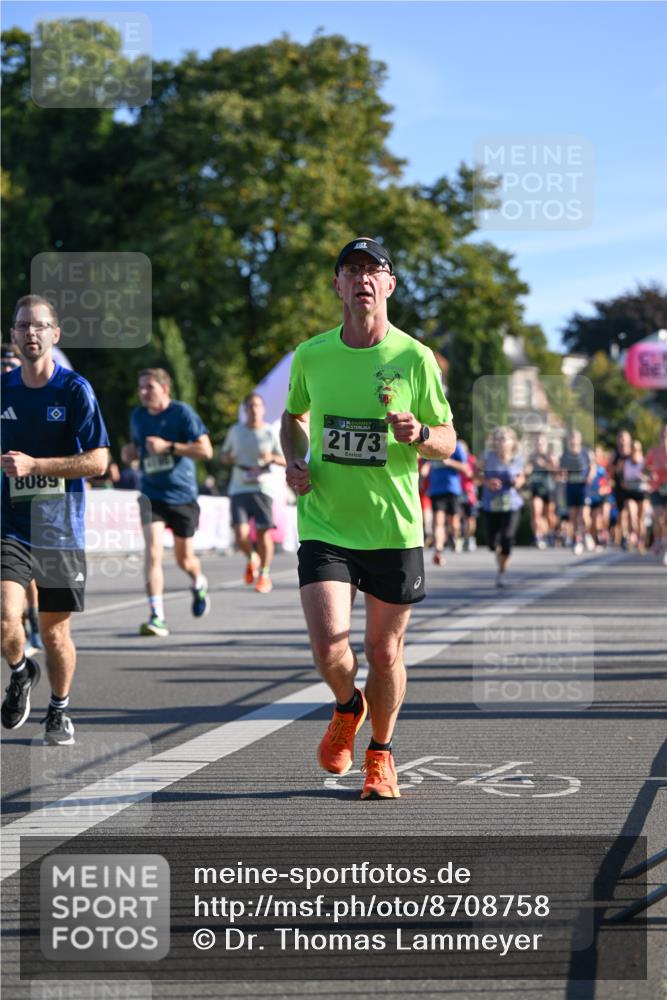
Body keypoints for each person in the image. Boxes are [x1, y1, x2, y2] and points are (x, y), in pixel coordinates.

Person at [281, 236, 455, 800]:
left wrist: (422, 434)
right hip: (326, 522)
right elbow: (292, 416)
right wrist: (294, 457)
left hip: (393, 528)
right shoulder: (311, 354)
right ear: (337, 285)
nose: (362, 278)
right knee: (330, 647)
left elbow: (449, 440)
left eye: (373, 270)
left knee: (384, 653)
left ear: (389, 285)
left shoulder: (414, 357)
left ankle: (380, 753)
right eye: (350, 270)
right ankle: (347, 705)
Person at [1, 295, 109, 744]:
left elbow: (99, 461)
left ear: (54, 334)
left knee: (55, 631)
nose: (31, 333)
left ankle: (59, 709)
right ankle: (21, 670)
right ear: (12, 335)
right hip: (11, 526)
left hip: (60, 530)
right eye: (23, 325)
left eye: (39, 326)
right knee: (6, 618)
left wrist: (36, 466)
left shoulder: (74, 389)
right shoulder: (3, 389)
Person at [123, 368, 213, 636]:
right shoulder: (137, 416)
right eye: (141, 387)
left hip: (182, 495)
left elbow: (206, 450)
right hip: (152, 495)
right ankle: (156, 616)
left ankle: (198, 582)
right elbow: (137, 451)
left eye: (149, 387)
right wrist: (130, 454)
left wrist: (169, 447)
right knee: (153, 552)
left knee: (184, 559)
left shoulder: (182, 413)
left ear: (165, 389)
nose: (143, 393)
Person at [221, 392, 285, 594]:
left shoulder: (270, 432)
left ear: (263, 409)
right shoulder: (235, 431)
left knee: (263, 532)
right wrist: (228, 457)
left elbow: (285, 459)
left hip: (262, 487)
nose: (253, 410)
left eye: (257, 406)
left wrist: (272, 457)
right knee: (240, 534)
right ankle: (252, 558)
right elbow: (223, 455)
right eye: (249, 407)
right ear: (244, 410)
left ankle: (264, 575)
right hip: (239, 487)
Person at [479, 426, 525, 587]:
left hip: (511, 504)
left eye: (505, 438)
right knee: (491, 543)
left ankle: (502, 572)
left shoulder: (517, 458)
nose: (502, 441)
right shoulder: (487, 457)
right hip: (491, 504)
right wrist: (487, 482)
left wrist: (517, 483)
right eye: (499, 438)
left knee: (507, 537)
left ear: (513, 442)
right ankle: (500, 560)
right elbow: (476, 475)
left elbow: (521, 477)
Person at [424, 442, 470, 563]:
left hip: (452, 489)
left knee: (454, 523)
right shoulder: (430, 443)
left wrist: (449, 462)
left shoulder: (456, 445)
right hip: (436, 490)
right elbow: (425, 463)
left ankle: (455, 536)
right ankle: (438, 550)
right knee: (438, 521)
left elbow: (465, 467)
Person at [559, 429, 595, 555]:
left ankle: (587, 534)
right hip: (571, 487)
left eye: (575, 438)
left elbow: (592, 467)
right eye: (571, 438)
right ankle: (577, 540)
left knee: (584, 516)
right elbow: (561, 471)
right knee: (573, 516)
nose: (573, 441)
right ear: (569, 441)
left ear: (579, 440)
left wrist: (590, 476)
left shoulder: (586, 452)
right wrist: (562, 476)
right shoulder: (565, 455)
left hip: (583, 487)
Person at [525, 433, 558, 549]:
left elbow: (557, 473)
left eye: (541, 443)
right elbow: (527, 470)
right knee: (536, 512)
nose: (539, 445)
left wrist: (546, 465)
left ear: (546, 445)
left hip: (549, 488)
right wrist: (526, 471)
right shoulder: (531, 456)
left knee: (549, 515)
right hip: (536, 488)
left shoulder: (550, 456)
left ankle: (550, 533)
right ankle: (538, 537)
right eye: (537, 443)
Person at [621, 439, 650, 553]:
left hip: (642, 493)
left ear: (640, 449)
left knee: (641, 519)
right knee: (632, 516)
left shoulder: (644, 462)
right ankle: (633, 536)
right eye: (633, 448)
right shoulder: (626, 462)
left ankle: (641, 541)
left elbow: (650, 478)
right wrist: (627, 483)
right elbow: (623, 480)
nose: (635, 450)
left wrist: (643, 478)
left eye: (637, 448)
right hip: (630, 493)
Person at [645, 423, 667, 565]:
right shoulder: (654, 452)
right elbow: (644, 469)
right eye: (663, 435)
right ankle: (658, 539)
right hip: (657, 489)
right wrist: (650, 474)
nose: (665, 438)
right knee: (659, 519)